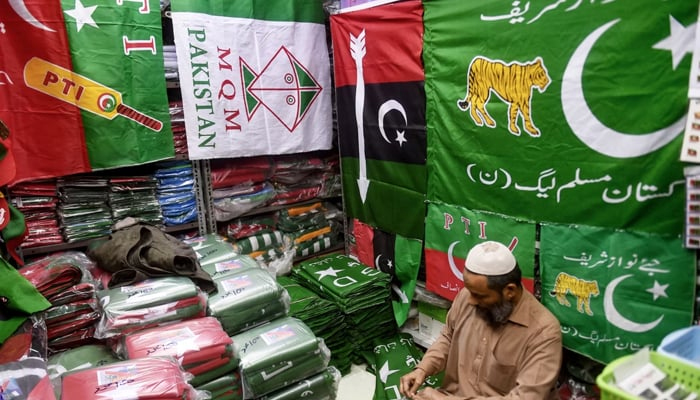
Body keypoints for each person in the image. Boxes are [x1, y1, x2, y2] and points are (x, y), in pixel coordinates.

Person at [399, 241, 562, 399]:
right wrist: (423, 369)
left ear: (509, 291)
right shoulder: (467, 297)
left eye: (479, 295)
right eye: (469, 292)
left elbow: (526, 397)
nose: (470, 301)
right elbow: (448, 336)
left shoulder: (544, 333)